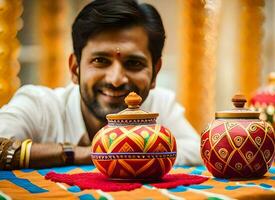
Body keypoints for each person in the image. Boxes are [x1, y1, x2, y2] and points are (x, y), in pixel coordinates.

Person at [0, 0, 201, 170]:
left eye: (134, 63)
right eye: (100, 61)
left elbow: (196, 151)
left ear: (155, 72)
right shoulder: (40, 106)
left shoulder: (159, 105)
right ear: (75, 69)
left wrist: (119, 151)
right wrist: (83, 154)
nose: (115, 80)